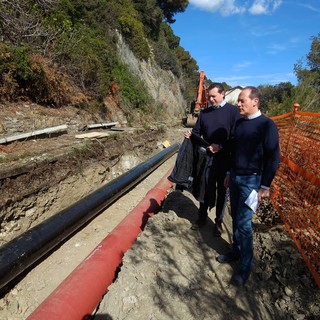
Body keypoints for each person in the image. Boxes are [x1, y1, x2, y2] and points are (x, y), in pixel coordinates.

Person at [216, 86, 280, 286]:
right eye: (239, 101)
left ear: (255, 101)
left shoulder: (267, 126)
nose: (238, 104)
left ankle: (245, 267)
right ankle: (235, 251)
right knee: (235, 216)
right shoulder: (240, 124)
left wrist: (265, 186)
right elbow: (233, 151)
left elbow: (273, 157)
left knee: (244, 224)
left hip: (252, 182)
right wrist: (228, 173)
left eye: (242, 100)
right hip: (235, 177)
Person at [184, 82, 240, 236]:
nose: (211, 99)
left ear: (222, 94)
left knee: (222, 190)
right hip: (207, 159)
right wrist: (191, 135)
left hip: (225, 160)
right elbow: (197, 131)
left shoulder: (233, 113)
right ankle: (201, 217)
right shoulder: (205, 113)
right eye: (209, 96)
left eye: (213, 96)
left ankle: (219, 222)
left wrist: (221, 146)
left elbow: (236, 138)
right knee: (205, 186)